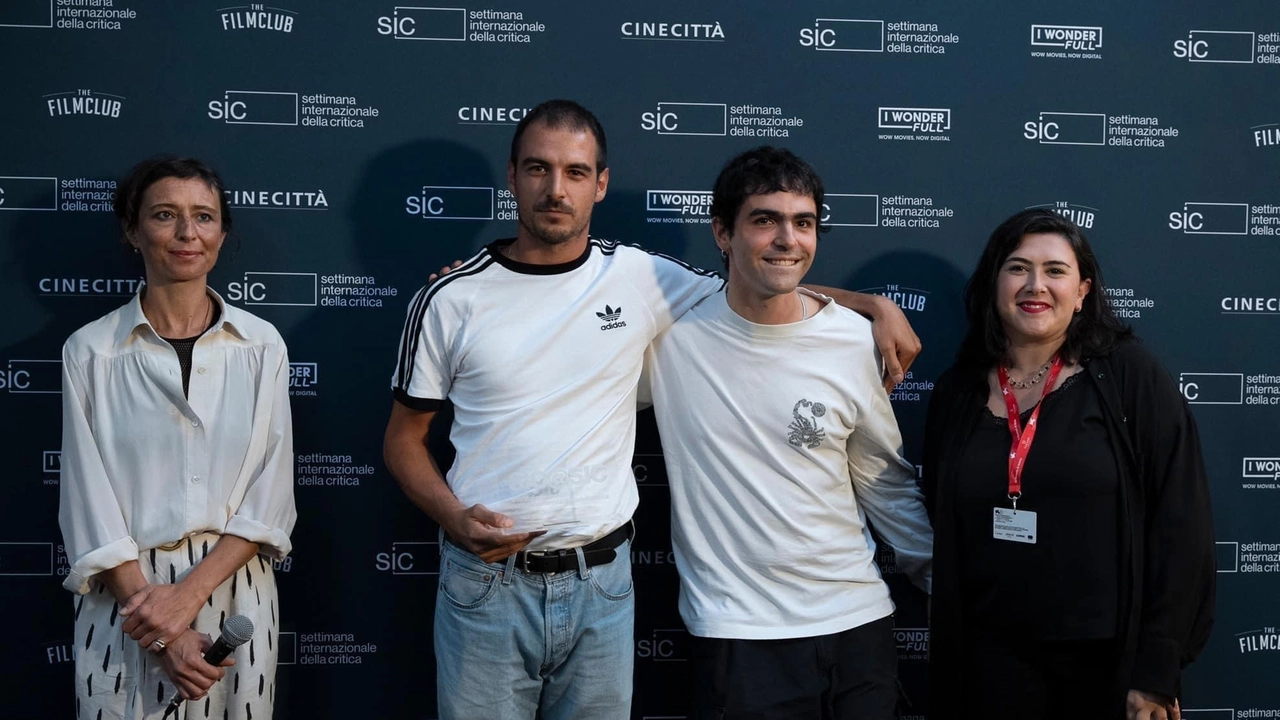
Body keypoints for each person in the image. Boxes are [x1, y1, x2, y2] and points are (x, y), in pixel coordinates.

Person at [383, 100, 921, 720]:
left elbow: (759, 278)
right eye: (538, 169)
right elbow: (403, 439)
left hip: (603, 584)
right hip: (487, 584)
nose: (556, 190)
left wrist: (869, 303)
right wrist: (452, 517)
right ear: (512, 176)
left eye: (577, 172)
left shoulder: (641, 278)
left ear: (601, 184)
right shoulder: (451, 297)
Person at [642, 146, 933, 719]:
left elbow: (884, 482)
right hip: (740, 636)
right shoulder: (667, 340)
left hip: (858, 628)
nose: (787, 239)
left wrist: (945, 581)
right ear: (722, 232)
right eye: (765, 220)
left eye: (803, 223)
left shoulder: (855, 339)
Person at [922, 209, 1215, 720]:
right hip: (988, 664)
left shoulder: (1129, 375)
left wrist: (1156, 669)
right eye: (1017, 267)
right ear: (994, 283)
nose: (1036, 284)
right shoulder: (957, 391)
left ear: (1082, 291)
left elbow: (1181, 524)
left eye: (1055, 270)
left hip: (1103, 666)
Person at [59, 156, 297, 719]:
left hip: (236, 587)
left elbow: (271, 496)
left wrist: (186, 600)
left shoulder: (262, 345)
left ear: (222, 231)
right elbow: (87, 503)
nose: (188, 233)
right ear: (132, 230)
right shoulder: (89, 352)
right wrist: (162, 628)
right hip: (127, 600)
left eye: (204, 217)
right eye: (166, 215)